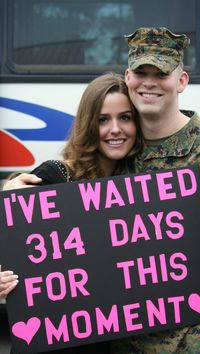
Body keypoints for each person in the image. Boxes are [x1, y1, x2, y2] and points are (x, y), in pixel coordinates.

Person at [3, 26, 200, 353]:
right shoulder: (121, 150)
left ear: (181, 81)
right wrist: (12, 191)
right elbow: (57, 212)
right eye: (142, 71)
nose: (150, 81)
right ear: (129, 77)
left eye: (162, 72)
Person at [0, 72, 143, 354]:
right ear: (89, 125)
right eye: (103, 119)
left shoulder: (139, 185)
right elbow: (12, 248)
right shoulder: (53, 177)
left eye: (125, 117)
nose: (115, 129)